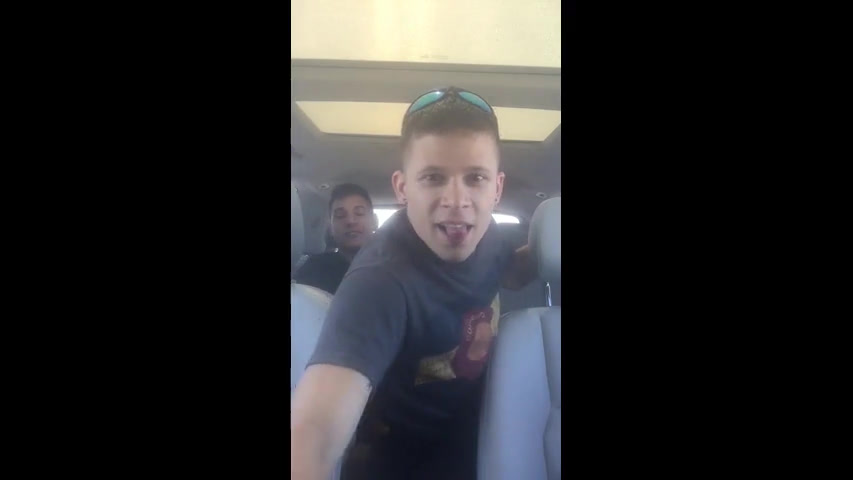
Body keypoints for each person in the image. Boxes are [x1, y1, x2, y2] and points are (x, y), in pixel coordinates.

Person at [290, 87, 538, 480]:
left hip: (487, 422)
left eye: (475, 178)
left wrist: (544, 251)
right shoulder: (379, 279)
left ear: (497, 188)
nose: (457, 200)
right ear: (403, 188)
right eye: (433, 178)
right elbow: (316, 433)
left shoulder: (489, 236)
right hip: (403, 453)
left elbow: (510, 272)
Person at [293, 183, 377, 294]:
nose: (350, 221)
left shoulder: (392, 266)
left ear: (374, 221)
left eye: (359, 213)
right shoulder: (313, 269)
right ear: (331, 227)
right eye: (340, 215)